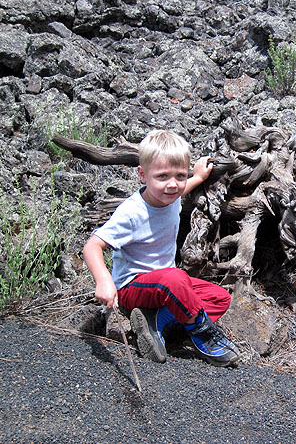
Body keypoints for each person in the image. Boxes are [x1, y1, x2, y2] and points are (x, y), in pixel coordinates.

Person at [83, 129, 239, 367]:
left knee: (219, 298)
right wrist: (104, 280)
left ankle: (158, 321)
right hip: (132, 287)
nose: (172, 185)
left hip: (166, 285)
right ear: (142, 175)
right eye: (163, 176)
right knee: (176, 278)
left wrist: (197, 177)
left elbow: (179, 191)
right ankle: (203, 334)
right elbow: (92, 246)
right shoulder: (132, 213)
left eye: (179, 176)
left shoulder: (171, 196)